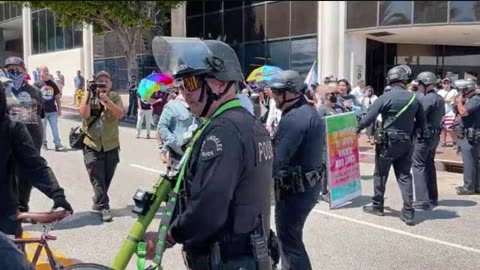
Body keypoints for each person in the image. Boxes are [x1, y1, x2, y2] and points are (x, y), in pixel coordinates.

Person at [152, 37, 275, 269]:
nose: (184, 93)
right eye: (179, 85)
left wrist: (169, 236)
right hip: (248, 252)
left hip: (226, 258)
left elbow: (208, 208)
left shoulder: (223, 130)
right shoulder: (249, 123)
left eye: (189, 83)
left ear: (219, 83)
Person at [0, 79, 73, 237]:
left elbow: (34, 165)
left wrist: (56, 193)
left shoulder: (12, 127)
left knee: (13, 260)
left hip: (5, 211)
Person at [267, 70, 323, 270]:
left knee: (289, 241)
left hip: (294, 191)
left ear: (290, 93)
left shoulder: (294, 119)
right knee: (292, 239)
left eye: (277, 91)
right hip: (307, 187)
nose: (273, 95)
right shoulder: (306, 111)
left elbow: (276, 161)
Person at [357, 65, 425, 226]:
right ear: (404, 80)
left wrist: (355, 130)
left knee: (380, 174)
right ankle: (408, 212)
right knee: (404, 176)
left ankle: (377, 206)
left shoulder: (384, 97)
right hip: (407, 142)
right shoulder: (414, 98)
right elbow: (422, 123)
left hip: (387, 143)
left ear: (389, 80)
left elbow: (368, 118)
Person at [78, 71, 124, 222]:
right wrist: (88, 93)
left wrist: (106, 101)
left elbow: (119, 114)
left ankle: (98, 200)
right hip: (92, 144)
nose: (103, 84)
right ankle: (104, 207)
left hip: (111, 144)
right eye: (100, 81)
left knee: (106, 178)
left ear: (110, 84)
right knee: (98, 178)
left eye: (106, 81)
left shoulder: (114, 97)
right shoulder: (88, 96)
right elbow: (84, 114)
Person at [3, 57, 45, 213]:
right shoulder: (3, 91)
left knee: (26, 177)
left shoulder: (35, 92)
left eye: (17, 69)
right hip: (8, 142)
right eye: (10, 69)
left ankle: (22, 206)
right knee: (9, 176)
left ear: (24, 71)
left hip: (31, 141)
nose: (14, 72)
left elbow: (40, 115)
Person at [411, 72, 445, 210]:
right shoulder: (439, 98)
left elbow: (419, 117)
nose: (417, 86)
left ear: (424, 84)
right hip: (434, 136)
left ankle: (421, 199)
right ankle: (432, 198)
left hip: (423, 137)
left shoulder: (426, 99)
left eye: (418, 84)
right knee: (429, 165)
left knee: (418, 165)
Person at [158, 86, 201, 171]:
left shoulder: (198, 105)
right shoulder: (172, 106)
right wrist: (174, 143)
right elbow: (162, 127)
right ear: (181, 89)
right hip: (178, 157)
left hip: (196, 157)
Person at [317, 86, 346, 202]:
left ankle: (336, 189)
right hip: (325, 143)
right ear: (326, 95)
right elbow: (318, 126)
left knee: (337, 167)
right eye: (331, 93)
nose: (334, 95)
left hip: (338, 143)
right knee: (325, 168)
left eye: (335, 93)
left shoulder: (341, 108)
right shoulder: (321, 109)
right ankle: (324, 192)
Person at [453, 79, 480, 195]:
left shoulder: (475, 99)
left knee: (469, 161)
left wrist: (459, 101)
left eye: (461, 90)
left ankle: (468, 187)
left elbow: (463, 112)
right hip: (469, 134)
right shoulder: (473, 99)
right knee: (474, 161)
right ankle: (476, 186)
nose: (460, 92)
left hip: (470, 135)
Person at [35, 66, 66, 152]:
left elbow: (57, 98)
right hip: (42, 112)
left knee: (55, 128)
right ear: (39, 72)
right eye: (44, 71)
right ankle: (44, 143)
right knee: (43, 129)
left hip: (52, 111)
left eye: (47, 71)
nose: (46, 72)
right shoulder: (36, 84)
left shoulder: (52, 84)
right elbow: (34, 99)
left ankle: (57, 144)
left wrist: (59, 109)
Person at [437, 78, 458, 148]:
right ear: (442, 84)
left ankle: (455, 141)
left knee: (450, 128)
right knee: (443, 128)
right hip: (441, 113)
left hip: (450, 112)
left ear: (450, 84)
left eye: (447, 83)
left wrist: (447, 100)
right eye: (444, 83)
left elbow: (456, 100)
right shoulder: (439, 92)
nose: (446, 85)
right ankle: (443, 141)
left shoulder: (454, 91)